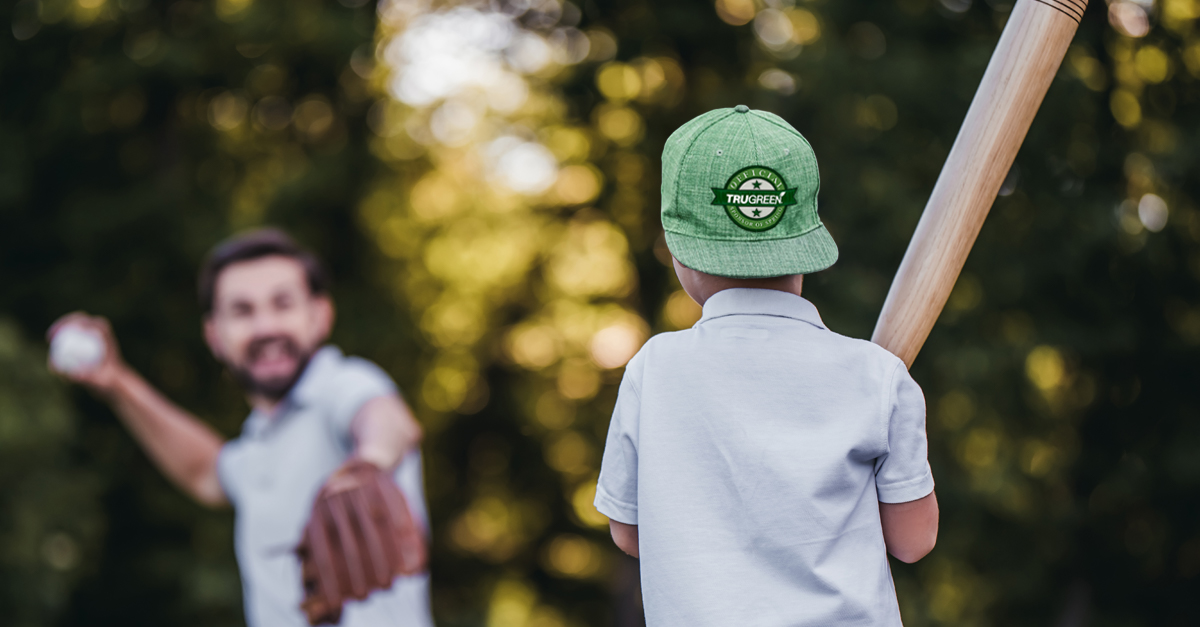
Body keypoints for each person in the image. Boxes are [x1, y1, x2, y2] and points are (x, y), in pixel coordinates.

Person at [594, 105, 939, 625]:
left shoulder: (654, 370)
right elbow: (913, 542)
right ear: (808, 237)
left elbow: (630, 532)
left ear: (677, 250)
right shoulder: (878, 375)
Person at [48, 228, 433, 627]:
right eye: (242, 311)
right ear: (214, 336)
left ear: (321, 316)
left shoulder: (344, 384)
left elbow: (389, 420)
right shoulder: (258, 442)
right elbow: (206, 472)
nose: (265, 326)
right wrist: (118, 382)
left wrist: (368, 463)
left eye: (283, 304)